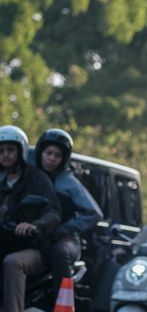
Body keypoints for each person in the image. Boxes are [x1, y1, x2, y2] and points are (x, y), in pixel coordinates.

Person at [0, 125, 61, 312]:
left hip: (32, 248)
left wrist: (34, 225)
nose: (5, 155)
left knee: (12, 263)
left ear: (21, 151)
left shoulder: (37, 179)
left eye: (10, 150)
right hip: (5, 243)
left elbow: (53, 213)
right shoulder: (1, 182)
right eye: (1, 151)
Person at [35, 129, 103, 301]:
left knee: (59, 252)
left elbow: (94, 213)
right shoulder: (30, 177)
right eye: (48, 153)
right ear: (40, 153)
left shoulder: (69, 183)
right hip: (37, 234)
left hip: (66, 239)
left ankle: (63, 303)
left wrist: (65, 229)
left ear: (63, 159)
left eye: (57, 155)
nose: (52, 158)